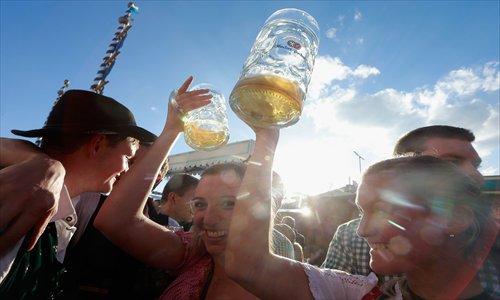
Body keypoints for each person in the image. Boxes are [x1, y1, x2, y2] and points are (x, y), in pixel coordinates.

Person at [94, 75, 273, 299]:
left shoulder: (287, 279)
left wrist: (268, 137)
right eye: (199, 204)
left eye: (228, 203)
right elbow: (114, 221)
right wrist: (171, 130)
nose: (208, 219)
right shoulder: (194, 252)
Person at [225, 154, 496, 299]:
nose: (362, 230)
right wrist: (268, 137)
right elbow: (247, 266)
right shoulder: (360, 293)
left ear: (455, 218)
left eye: (383, 209)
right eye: (362, 211)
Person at [0, 89, 156, 299]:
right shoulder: (22, 196)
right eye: (127, 157)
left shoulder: (57, 212)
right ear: (97, 144)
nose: (127, 169)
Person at [322, 125, 499, 295]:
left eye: (476, 165)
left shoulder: (493, 235)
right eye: (451, 162)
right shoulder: (350, 237)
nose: (475, 174)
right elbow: (324, 289)